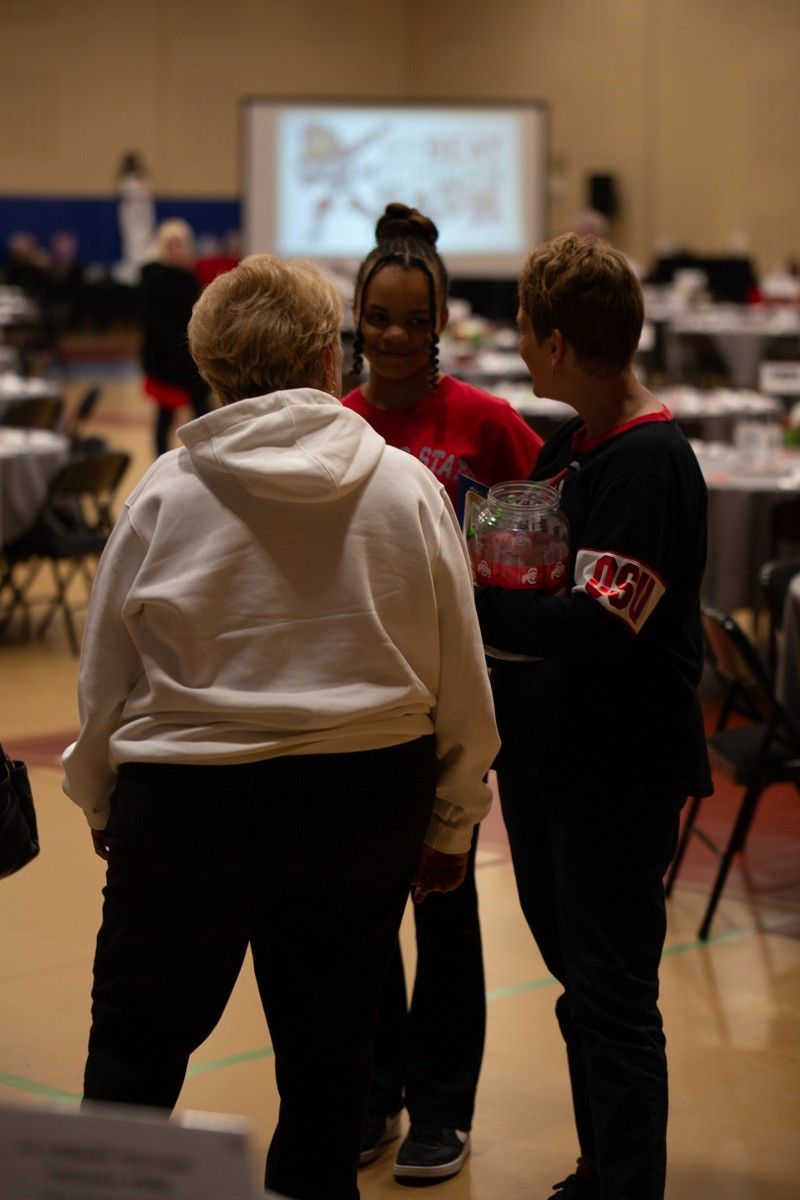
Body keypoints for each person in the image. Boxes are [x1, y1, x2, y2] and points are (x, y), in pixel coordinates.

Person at [62, 253, 499, 1200]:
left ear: (210, 362)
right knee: (327, 1079)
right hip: (359, 807)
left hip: (187, 809)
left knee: (133, 1062)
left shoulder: (166, 493)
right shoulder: (404, 488)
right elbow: (460, 677)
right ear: (329, 355)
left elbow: (105, 679)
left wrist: (98, 798)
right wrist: (452, 820)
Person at [474, 234, 712, 1200]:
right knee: (581, 985)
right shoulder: (574, 443)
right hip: (546, 758)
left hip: (618, 773)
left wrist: (468, 598)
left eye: (528, 335)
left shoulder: (649, 464)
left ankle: (628, 1185)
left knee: (613, 996)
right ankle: (600, 1167)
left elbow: (596, 622)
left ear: (560, 342)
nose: (523, 352)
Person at [342, 202, 542, 1183]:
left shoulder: (485, 424)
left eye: (407, 319)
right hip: (351, 712)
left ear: (437, 324)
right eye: (373, 316)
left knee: (444, 907)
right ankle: (374, 1092)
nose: (389, 335)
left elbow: (539, 545)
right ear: (355, 319)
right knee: (363, 915)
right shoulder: (334, 425)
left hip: (447, 714)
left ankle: (441, 1109)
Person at [140, 218, 211, 457]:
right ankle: (159, 461)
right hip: (167, 359)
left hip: (192, 356)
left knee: (203, 413)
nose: (177, 250)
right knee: (165, 415)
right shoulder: (154, 277)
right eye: (172, 245)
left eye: (181, 244)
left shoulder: (190, 276)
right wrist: (177, 349)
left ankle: (208, 458)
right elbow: (155, 322)